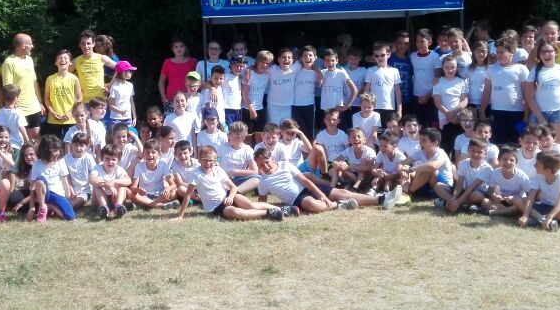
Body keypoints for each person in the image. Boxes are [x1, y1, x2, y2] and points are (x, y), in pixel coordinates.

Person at [254, 148, 403, 213]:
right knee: (312, 205)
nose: (265, 166)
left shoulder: (285, 165)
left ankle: (382, 199)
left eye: (267, 162)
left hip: (308, 188)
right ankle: (338, 205)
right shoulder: (263, 181)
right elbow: (262, 201)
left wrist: (320, 194)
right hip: (297, 198)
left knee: (343, 193)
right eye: (261, 165)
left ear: (272, 158)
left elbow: (305, 181)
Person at [171, 145, 289, 222]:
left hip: (228, 196)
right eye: (205, 160)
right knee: (236, 212)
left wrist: (231, 197)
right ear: (199, 160)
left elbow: (232, 187)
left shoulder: (218, 170)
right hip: (216, 207)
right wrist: (180, 215)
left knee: (251, 205)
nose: (208, 163)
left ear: (215, 161)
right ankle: (270, 213)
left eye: (211, 161)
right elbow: (187, 195)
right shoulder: (196, 174)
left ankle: (284, 209)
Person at [523, 39, 560, 148]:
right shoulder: (535, 71)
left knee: (557, 145)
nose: (546, 54)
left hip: (559, 111)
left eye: (549, 51)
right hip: (538, 112)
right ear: (539, 55)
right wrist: (540, 117)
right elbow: (529, 97)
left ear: (556, 53)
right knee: (536, 144)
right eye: (543, 52)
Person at [478, 38, 529, 145]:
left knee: (518, 143)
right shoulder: (491, 69)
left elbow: (527, 93)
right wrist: (482, 111)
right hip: (497, 112)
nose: (499, 55)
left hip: (517, 113)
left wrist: (527, 115)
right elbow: (487, 91)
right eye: (497, 52)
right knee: (499, 143)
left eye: (502, 52)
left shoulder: (521, 69)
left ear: (512, 52)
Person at [1, 33, 43, 141]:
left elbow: (34, 82)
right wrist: (11, 108)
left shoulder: (29, 59)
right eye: (30, 44)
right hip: (18, 109)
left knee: (35, 141)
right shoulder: (9, 62)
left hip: (33, 107)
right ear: (23, 45)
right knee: (20, 141)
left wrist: (40, 102)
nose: (32, 46)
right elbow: (8, 88)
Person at [520, 150, 560, 231]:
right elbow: (531, 197)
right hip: (545, 206)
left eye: (537, 165)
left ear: (548, 170)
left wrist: (550, 216)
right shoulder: (538, 176)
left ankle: (541, 219)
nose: (534, 165)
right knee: (522, 200)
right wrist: (525, 215)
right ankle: (543, 220)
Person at [30, 135, 74, 222]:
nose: (58, 152)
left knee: (70, 217)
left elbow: (65, 180)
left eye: (58, 150)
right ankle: (42, 207)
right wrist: (32, 207)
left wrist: (67, 197)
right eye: (55, 150)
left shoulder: (61, 161)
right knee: (40, 180)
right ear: (46, 151)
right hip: (43, 193)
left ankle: (50, 206)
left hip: (58, 193)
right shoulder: (37, 164)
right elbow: (32, 185)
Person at [432, 55, 469, 155]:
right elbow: (437, 101)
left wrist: (454, 113)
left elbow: (464, 100)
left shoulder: (462, 82)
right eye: (447, 67)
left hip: (458, 119)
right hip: (444, 119)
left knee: (457, 148)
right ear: (443, 68)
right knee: (445, 148)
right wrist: (447, 113)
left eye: (453, 67)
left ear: (457, 68)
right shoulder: (438, 82)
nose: (450, 70)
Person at [128, 140, 181, 209]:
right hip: (145, 195)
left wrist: (167, 189)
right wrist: (138, 190)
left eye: (153, 152)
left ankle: (144, 204)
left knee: (173, 193)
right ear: (143, 154)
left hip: (159, 195)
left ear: (159, 154)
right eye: (147, 152)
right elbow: (133, 187)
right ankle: (162, 205)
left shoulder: (163, 165)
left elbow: (173, 184)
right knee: (132, 195)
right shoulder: (139, 166)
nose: (150, 155)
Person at [89, 145, 131, 220]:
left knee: (123, 185)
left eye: (113, 159)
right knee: (97, 185)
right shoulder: (97, 168)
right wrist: (105, 184)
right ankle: (104, 208)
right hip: (99, 200)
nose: (110, 162)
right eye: (107, 159)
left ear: (118, 160)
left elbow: (128, 180)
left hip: (115, 198)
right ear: (102, 158)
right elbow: (92, 179)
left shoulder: (119, 169)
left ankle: (118, 207)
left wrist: (113, 182)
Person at [365, 42, 401, 128]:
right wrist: (365, 106)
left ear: (388, 54)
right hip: (373, 108)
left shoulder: (394, 71)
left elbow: (398, 91)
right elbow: (367, 89)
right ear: (374, 57)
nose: (379, 58)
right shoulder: (370, 70)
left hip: (390, 107)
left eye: (382, 55)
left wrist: (399, 110)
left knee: (389, 132)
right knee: (375, 132)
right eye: (376, 56)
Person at [411, 29, 442, 128]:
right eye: (417, 41)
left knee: (433, 127)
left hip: (431, 98)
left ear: (430, 42)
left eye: (422, 41)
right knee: (419, 126)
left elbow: (438, 79)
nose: (419, 44)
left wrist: (428, 95)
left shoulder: (435, 57)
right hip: (417, 98)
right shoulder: (412, 56)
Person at [241, 50, 273, 142]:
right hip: (247, 109)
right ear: (257, 61)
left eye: (267, 63)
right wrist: (251, 109)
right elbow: (244, 93)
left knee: (260, 136)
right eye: (262, 62)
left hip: (260, 108)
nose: (264, 65)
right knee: (247, 137)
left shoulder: (268, 74)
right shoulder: (249, 74)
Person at [158, 38, 197, 109]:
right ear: (172, 49)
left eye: (181, 46)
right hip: (171, 99)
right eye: (176, 47)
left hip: (188, 98)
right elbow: (161, 82)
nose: (179, 49)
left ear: (185, 48)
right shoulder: (167, 63)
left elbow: (197, 80)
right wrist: (164, 98)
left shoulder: (192, 62)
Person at [0, 85, 30, 152]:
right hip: (16, 145)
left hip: (3, 145)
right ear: (16, 98)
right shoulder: (18, 112)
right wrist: (27, 141)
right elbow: (21, 128)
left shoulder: (0, 112)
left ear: (3, 98)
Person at [267, 47, 297, 124]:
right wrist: (248, 70)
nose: (286, 59)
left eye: (289, 57)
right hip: (273, 104)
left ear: (293, 60)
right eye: (284, 57)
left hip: (288, 105)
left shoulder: (295, 68)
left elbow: (311, 65)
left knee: (286, 127)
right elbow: (257, 66)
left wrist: (318, 72)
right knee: (274, 127)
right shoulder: (272, 69)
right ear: (278, 59)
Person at [107, 60, 138, 127]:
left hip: (128, 118)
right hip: (116, 119)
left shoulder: (130, 85)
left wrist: (134, 117)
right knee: (116, 134)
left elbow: (131, 101)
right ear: (124, 73)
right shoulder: (114, 87)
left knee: (128, 134)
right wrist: (120, 112)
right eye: (130, 71)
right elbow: (111, 105)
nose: (131, 73)